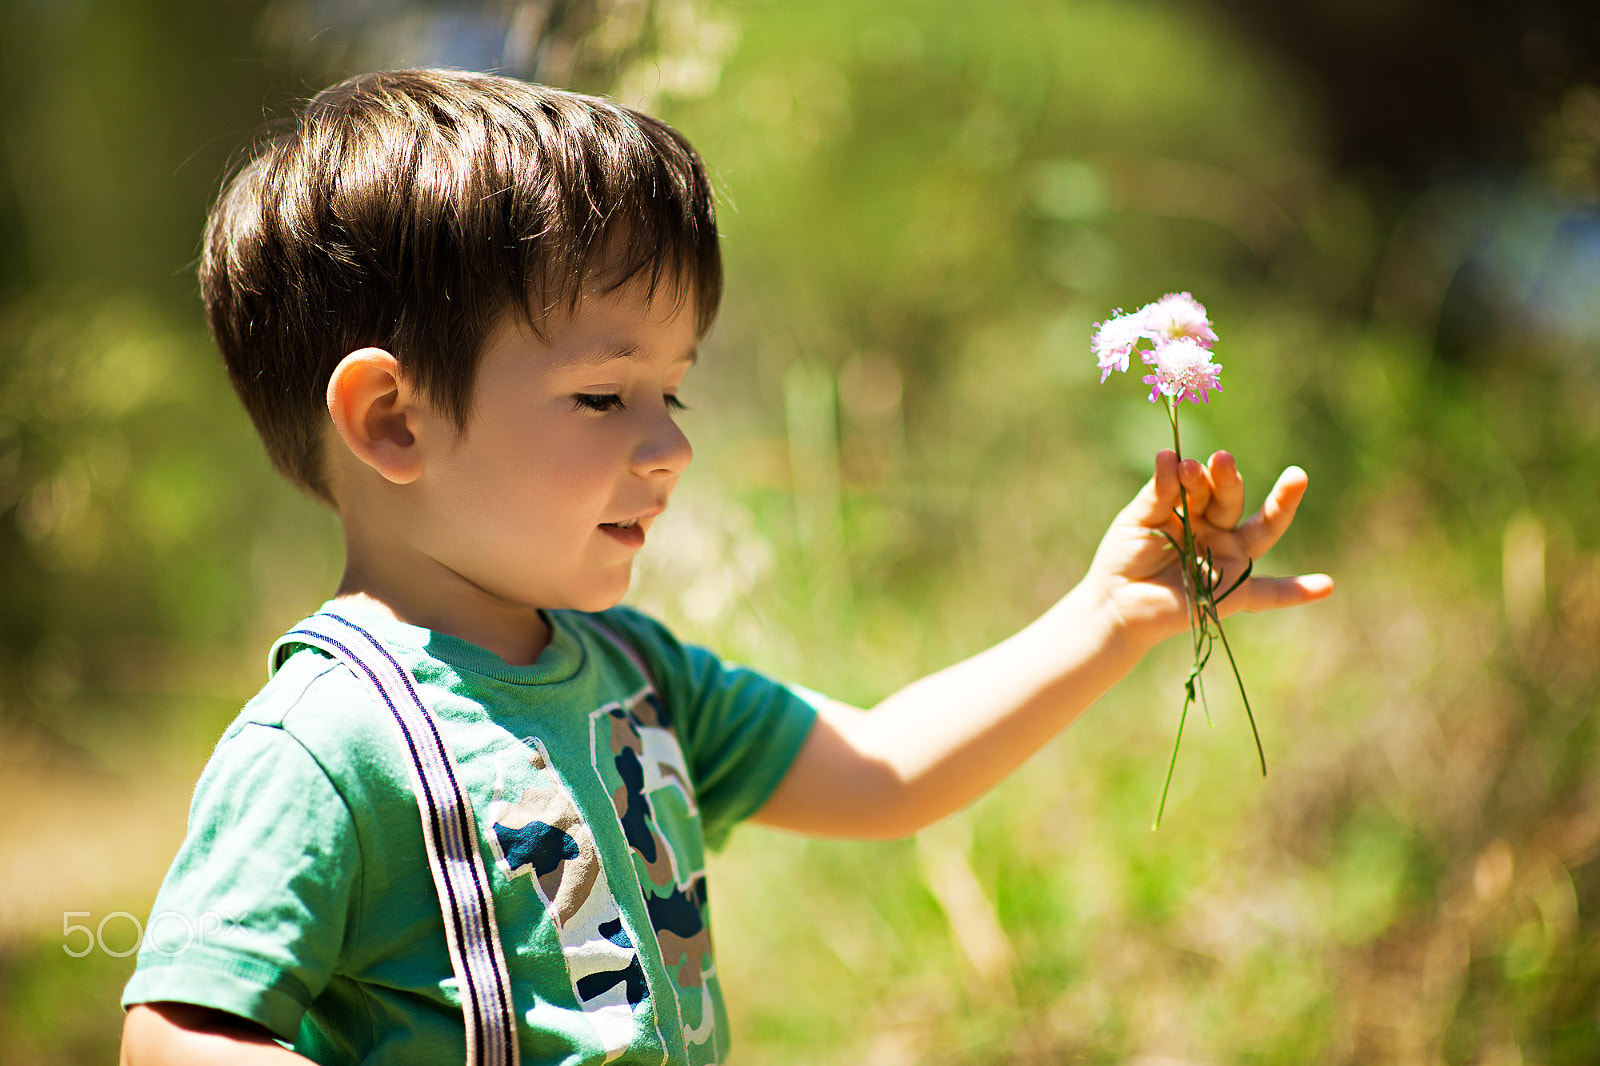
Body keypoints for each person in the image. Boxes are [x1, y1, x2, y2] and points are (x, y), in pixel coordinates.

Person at [118, 69, 1333, 1066]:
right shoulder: (328, 742)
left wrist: (1104, 618)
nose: (672, 445)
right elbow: (176, 1034)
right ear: (392, 420)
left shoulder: (641, 679)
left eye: (674, 391)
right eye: (604, 395)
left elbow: (884, 766)